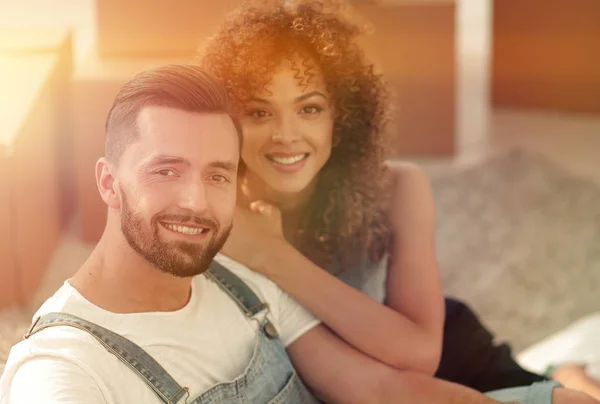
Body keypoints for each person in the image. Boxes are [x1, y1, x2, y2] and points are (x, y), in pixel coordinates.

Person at [0, 64, 548, 404]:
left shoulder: (233, 272)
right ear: (108, 181)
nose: (195, 201)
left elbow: (383, 390)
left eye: (216, 174)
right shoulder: (62, 371)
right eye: (165, 170)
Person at [198, 0, 600, 402]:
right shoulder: (218, 213)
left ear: (342, 116)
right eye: (259, 112)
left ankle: (567, 373)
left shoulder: (399, 187)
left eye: (310, 108)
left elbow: (421, 354)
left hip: (446, 355)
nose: (286, 134)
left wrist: (273, 255)